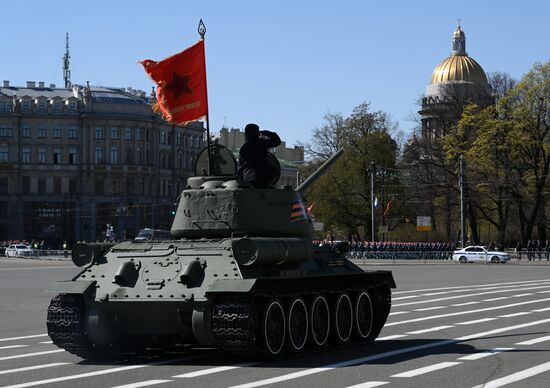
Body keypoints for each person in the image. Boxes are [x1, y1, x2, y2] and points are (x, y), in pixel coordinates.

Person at [237, 123, 281, 188]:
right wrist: (267, 133)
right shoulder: (261, 143)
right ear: (257, 134)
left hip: (248, 181)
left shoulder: (243, 149)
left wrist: (242, 182)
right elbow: (277, 141)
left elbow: (240, 169)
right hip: (261, 179)